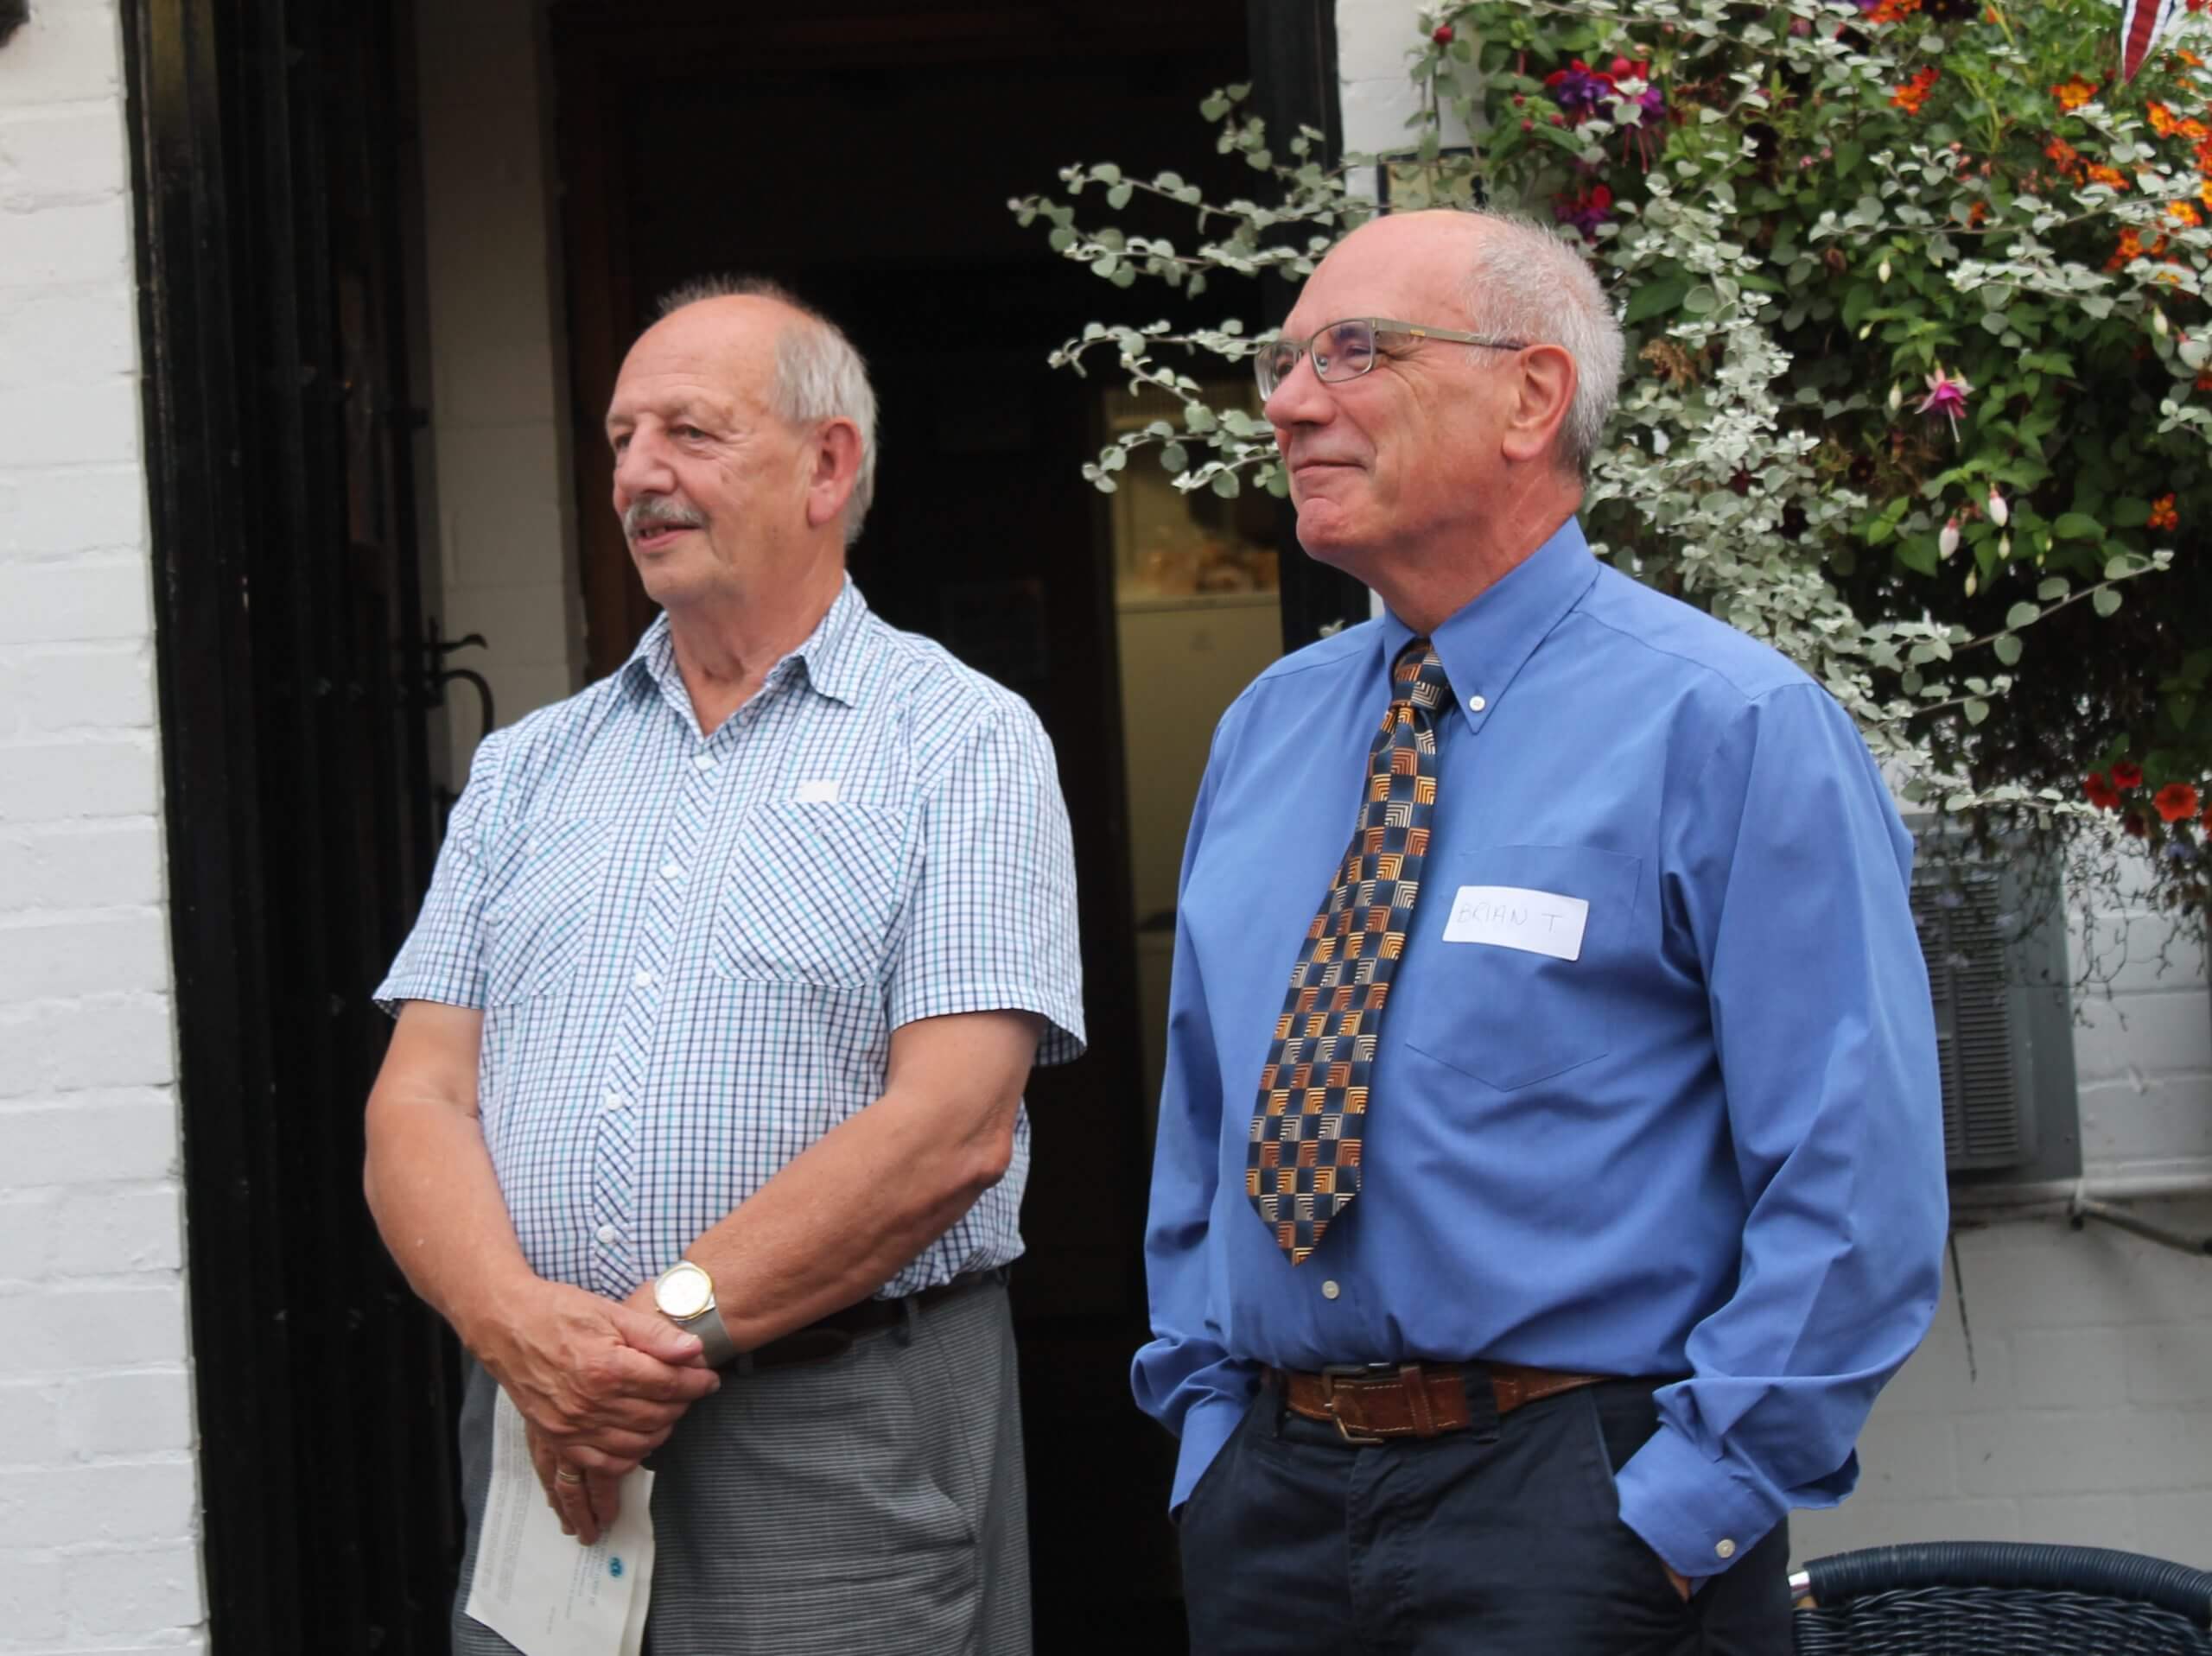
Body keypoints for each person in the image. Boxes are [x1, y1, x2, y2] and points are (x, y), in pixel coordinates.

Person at [1134, 208, 1948, 1653]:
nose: (1291, 401)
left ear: (1531, 396)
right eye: (1286, 359)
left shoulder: (1731, 727)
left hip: (1582, 1516)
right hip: (1275, 1512)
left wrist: (1681, 1512)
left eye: (1355, 351)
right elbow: (1203, 1132)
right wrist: (1210, 1434)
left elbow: (1853, 1188)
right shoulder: (1268, 731)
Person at [364, 276, 1084, 1656]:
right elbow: (419, 1097)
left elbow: (954, 1125)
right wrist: (524, 1335)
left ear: (828, 465)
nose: (639, 473)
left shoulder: (961, 742)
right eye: (621, 438)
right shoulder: (528, 767)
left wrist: (646, 1339)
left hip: (832, 1432)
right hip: (543, 1429)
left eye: (689, 432)